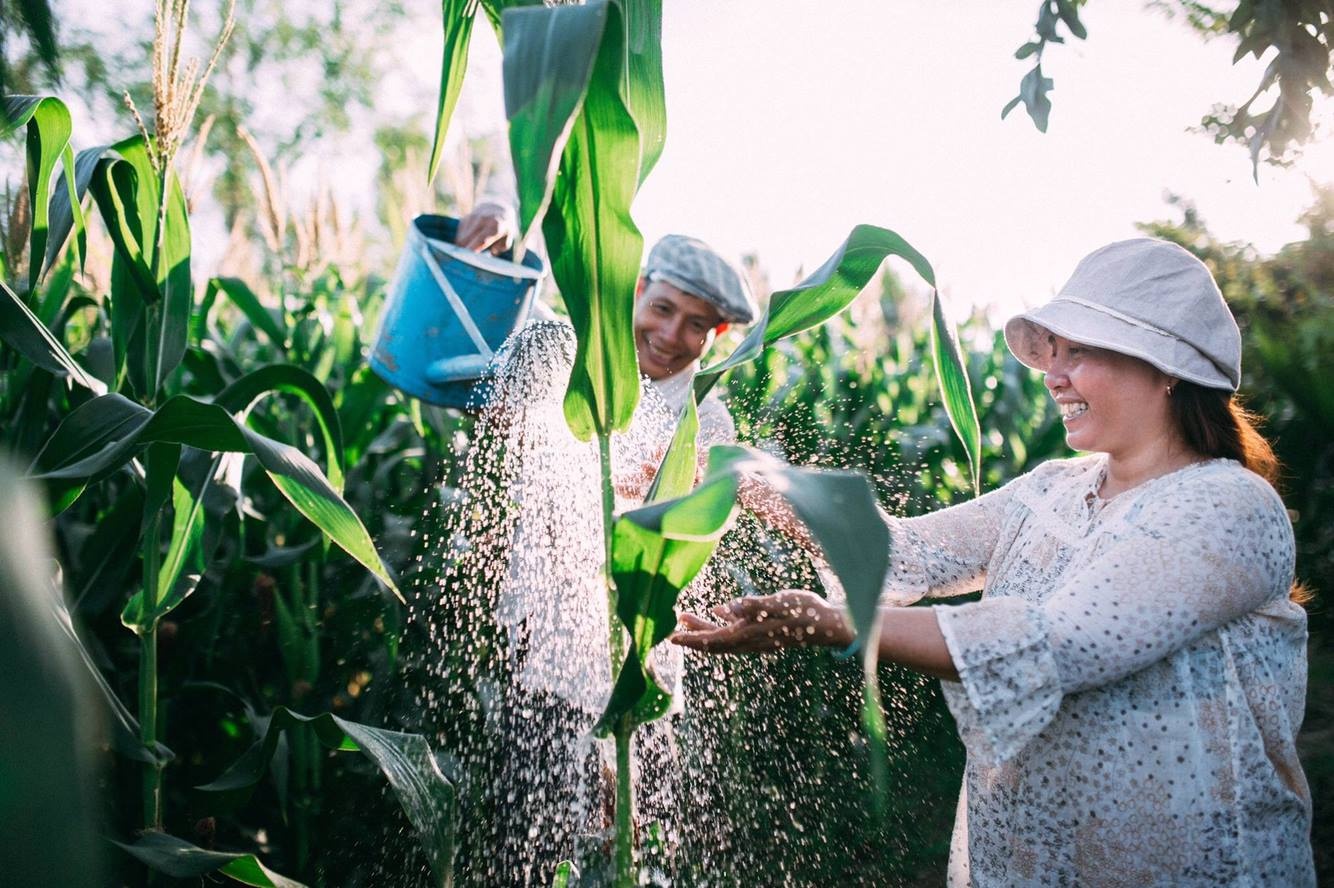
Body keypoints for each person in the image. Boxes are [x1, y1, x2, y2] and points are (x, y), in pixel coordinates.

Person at [672, 238, 1315, 887]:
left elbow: (1062, 642)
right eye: (1052, 353)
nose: (1052, 375)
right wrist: (734, 474)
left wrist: (832, 621)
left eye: (1079, 353)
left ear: (1167, 365)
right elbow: (903, 553)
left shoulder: (1228, 506)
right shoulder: (1053, 487)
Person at [455, 203, 757, 448]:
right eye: (663, 309)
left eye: (696, 324)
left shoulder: (705, 420)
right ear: (639, 290)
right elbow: (504, 307)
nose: (670, 335)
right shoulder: (567, 354)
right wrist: (499, 219)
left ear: (718, 331)